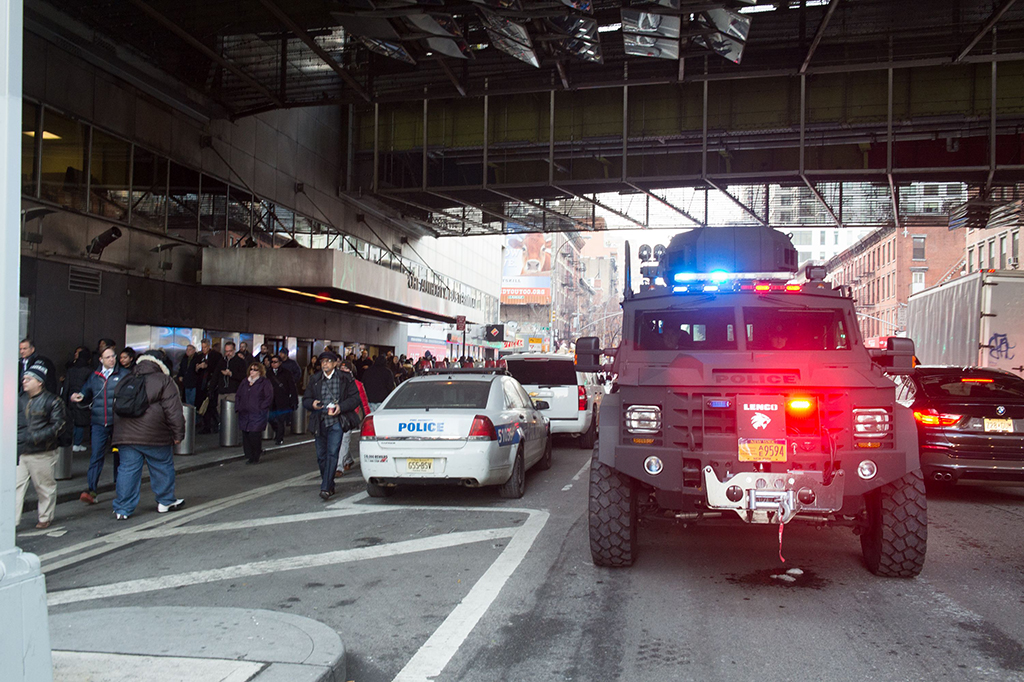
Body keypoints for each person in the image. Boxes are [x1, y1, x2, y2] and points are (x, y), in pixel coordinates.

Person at [111, 350, 185, 520]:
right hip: (155, 434)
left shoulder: (126, 379)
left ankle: (123, 509)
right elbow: (174, 412)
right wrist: (178, 434)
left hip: (125, 434)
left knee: (128, 469)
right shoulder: (164, 380)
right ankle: (165, 501)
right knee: (162, 466)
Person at [71, 346, 129, 504]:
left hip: (118, 423)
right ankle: (92, 491)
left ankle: (120, 489)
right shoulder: (95, 376)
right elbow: (86, 391)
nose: (112, 359)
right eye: (108, 357)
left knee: (119, 455)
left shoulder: (123, 375)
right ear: (101, 360)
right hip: (98, 423)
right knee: (96, 456)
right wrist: (79, 396)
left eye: (113, 356)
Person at [16, 363, 67, 529]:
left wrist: (33, 438)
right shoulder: (19, 399)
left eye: (28, 379)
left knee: (44, 486)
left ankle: (45, 517)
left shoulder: (53, 401)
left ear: (39, 382)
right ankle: (12, 521)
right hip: (21, 452)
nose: (24, 381)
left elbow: (58, 425)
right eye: (24, 378)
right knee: (15, 487)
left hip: (42, 451)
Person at [303, 351, 360, 500]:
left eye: (328, 361)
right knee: (321, 456)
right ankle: (329, 483)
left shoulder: (345, 379)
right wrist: (312, 403)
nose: (325, 364)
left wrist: (340, 407)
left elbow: (355, 399)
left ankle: (326, 487)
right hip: (319, 421)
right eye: (323, 362)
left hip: (336, 422)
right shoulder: (315, 379)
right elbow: (306, 399)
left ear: (335, 364)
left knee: (332, 453)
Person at [235, 361, 274, 465]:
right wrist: (238, 407)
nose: (252, 371)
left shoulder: (264, 383)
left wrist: (261, 407)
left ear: (260, 372)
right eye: (251, 369)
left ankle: (255, 456)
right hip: (245, 413)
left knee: (254, 434)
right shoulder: (245, 382)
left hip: (257, 413)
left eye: (255, 370)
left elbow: (268, 397)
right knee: (246, 434)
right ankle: (249, 455)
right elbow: (238, 395)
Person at [336, 360, 370, 477]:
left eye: (346, 369)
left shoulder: (357, 384)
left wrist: (367, 417)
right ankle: (348, 459)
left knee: (344, 439)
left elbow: (364, 402)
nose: (343, 371)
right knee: (340, 440)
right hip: (336, 414)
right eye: (341, 369)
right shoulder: (334, 382)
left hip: (349, 416)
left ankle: (339, 467)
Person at [62, 346, 93, 453]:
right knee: (80, 422)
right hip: (82, 399)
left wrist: (65, 399)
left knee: (72, 421)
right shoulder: (89, 371)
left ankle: (72, 442)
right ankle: (77, 443)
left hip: (70, 397)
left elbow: (66, 386)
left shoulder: (71, 370)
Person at [267, 354, 298, 444]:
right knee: (270, 418)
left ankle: (279, 438)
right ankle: (277, 432)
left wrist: (294, 400)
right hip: (272, 400)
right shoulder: (268, 373)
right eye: (272, 362)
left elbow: (292, 387)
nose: (273, 364)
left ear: (280, 363)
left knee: (281, 419)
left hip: (283, 400)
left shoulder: (286, 373)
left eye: (275, 362)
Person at [194, 338, 224, 434]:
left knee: (212, 406)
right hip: (201, 383)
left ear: (209, 346)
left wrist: (207, 366)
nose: (204, 349)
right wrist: (198, 367)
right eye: (202, 347)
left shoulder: (216, 356)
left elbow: (218, 369)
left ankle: (215, 424)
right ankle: (206, 425)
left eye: (205, 347)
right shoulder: (199, 356)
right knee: (203, 406)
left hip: (212, 383)